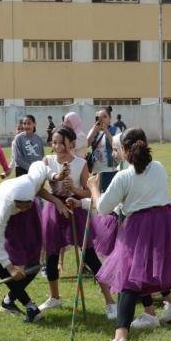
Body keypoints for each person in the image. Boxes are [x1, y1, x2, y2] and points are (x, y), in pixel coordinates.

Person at [89, 128, 171, 341]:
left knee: (130, 282)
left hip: (140, 228)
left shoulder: (123, 176)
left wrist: (94, 189)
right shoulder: (159, 167)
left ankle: (120, 340)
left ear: (124, 150)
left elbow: (103, 208)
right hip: (168, 222)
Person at [38, 126, 117, 318]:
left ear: (71, 143)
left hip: (75, 208)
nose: (57, 146)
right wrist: (56, 201)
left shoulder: (81, 163)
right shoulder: (47, 161)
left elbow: (88, 191)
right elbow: (39, 189)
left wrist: (73, 188)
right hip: (54, 209)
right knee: (51, 255)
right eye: (54, 142)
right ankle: (54, 296)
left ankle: (110, 301)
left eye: (61, 142)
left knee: (89, 254)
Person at [0, 161, 49, 323]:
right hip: (3, 212)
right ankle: (30, 306)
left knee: (33, 263)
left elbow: (40, 166)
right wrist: (10, 267)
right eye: (21, 206)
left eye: (27, 205)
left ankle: (8, 301)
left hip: (27, 220)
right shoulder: (6, 205)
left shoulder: (32, 185)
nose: (23, 209)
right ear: (15, 203)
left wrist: (54, 175)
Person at [86, 107, 119, 188]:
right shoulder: (94, 130)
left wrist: (106, 130)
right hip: (96, 170)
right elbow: (86, 144)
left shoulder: (115, 130)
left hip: (111, 170)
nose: (102, 120)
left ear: (110, 118)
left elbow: (116, 146)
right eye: (99, 118)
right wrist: (94, 130)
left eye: (104, 117)